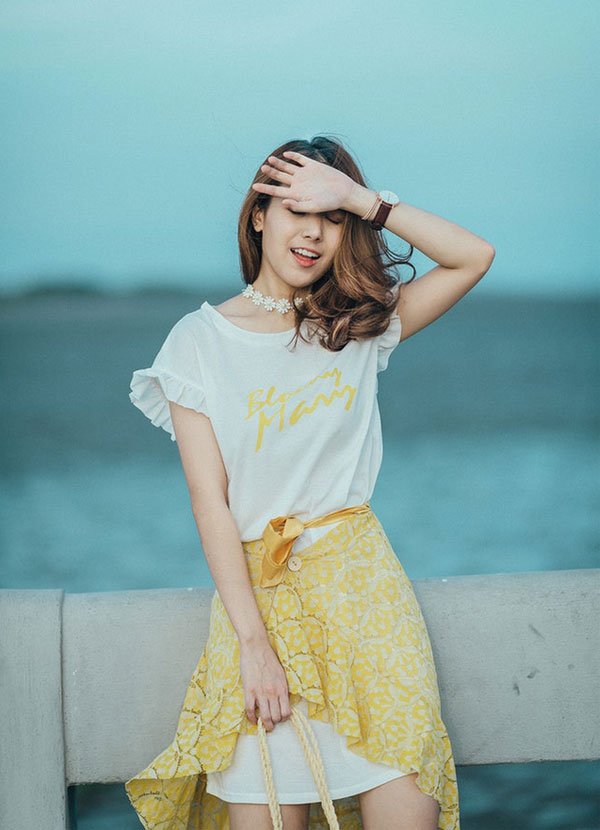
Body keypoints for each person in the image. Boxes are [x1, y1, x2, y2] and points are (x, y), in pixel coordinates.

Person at [124, 134, 495, 830]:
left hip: (367, 606)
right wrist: (252, 645)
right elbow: (211, 504)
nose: (314, 233)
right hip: (259, 613)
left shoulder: (357, 326)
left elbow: (473, 256)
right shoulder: (197, 343)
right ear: (259, 215)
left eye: (332, 219)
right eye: (298, 210)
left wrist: (362, 198)